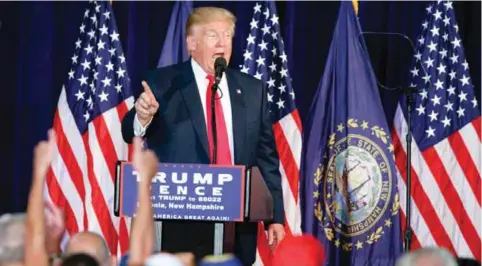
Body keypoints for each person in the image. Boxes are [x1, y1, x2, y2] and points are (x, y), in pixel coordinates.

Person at [121, 6, 285, 265]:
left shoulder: (253, 90)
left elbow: (266, 157)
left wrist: (275, 217)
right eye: (212, 35)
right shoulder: (165, 83)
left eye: (228, 35)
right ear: (192, 43)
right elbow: (129, 131)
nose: (222, 43)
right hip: (179, 224)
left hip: (237, 225)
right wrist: (143, 116)